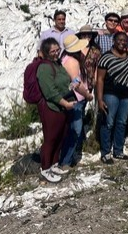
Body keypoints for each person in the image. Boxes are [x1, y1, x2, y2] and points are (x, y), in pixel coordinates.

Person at [36, 38, 76, 183]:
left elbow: (62, 83)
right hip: (52, 108)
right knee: (51, 138)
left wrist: (72, 87)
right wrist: (65, 103)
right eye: (52, 51)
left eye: (57, 50)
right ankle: (45, 168)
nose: (56, 53)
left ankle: (54, 163)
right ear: (46, 52)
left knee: (60, 136)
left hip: (62, 107)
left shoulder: (57, 64)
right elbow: (50, 91)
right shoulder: (45, 68)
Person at [96, 32, 128, 163]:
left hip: (126, 95)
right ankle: (105, 152)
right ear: (114, 40)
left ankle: (118, 151)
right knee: (108, 122)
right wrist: (100, 99)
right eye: (119, 39)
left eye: (125, 40)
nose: (122, 42)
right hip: (110, 94)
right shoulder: (106, 57)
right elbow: (100, 79)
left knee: (122, 123)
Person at [58, 34, 94, 169]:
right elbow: (76, 83)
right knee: (75, 130)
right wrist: (87, 95)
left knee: (73, 129)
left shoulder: (67, 58)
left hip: (74, 98)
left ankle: (70, 157)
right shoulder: (72, 61)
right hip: (76, 99)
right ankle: (66, 161)